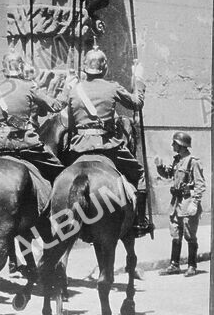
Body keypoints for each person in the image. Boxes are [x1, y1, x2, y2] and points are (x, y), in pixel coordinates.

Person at [65, 48, 150, 234]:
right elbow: (137, 103)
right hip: (107, 146)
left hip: (78, 147)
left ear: (85, 68)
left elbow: (71, 125)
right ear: (104, 68)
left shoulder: (74, 91)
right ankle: (139, 221)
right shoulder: (112, 87)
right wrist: (138, 78)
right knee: (140, 174)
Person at [0, 50, 68, 184]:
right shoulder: (28, 86)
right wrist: (66, 92)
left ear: (3, 68)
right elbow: (55, 107)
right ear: (21, 67)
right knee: (59, 171)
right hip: (26, 142)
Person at [155, 132, 206, 276]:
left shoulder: (193, 161)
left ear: (181, 145)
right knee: (175, 233)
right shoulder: (177, 160)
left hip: (187, 201)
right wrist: (159, 167)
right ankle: (174, 265)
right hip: (176, 203)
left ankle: (192, 266)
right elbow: (169, 175)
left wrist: (195, 202)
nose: (172, 145)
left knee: (190, 235)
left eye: (174, 143)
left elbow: (200, 185)